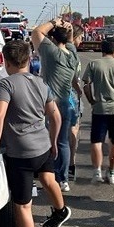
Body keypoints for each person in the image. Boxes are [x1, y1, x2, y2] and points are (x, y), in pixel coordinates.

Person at [0, 39, 71, 227]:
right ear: (28, 59)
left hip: (20, 152)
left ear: (6, 60)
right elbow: (55, 116)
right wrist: (53, 141)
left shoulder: (6, 84)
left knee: (23, 206)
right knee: (47, 179)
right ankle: (61, 210)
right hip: (42, 145)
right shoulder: (41, 83)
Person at [31, 16, 80, 192]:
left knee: (45, 140)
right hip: (67, 101)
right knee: (63, 142)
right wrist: (69, 29)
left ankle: (47, 175)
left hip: (49, 102)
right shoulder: (72, 54)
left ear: (52, 39)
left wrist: (53, 22)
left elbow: (36, 32)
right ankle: (63, 178)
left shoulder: (51, 52)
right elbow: (71, 41)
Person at [82, 37, 114, 185]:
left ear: (102, 50)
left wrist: (92, 100)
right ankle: (112, 172)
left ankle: (97, 172)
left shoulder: (93, 64)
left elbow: (86, 85)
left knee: (97, 141)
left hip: (99, 108)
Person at [68, 26, 86, 180]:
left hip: (65, 96)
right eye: (80, 37)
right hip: (72, 97)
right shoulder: (71, 54)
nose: (81, 41)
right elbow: (73, 77)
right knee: (73, 130)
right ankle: (70, 163)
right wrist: (79, 90)